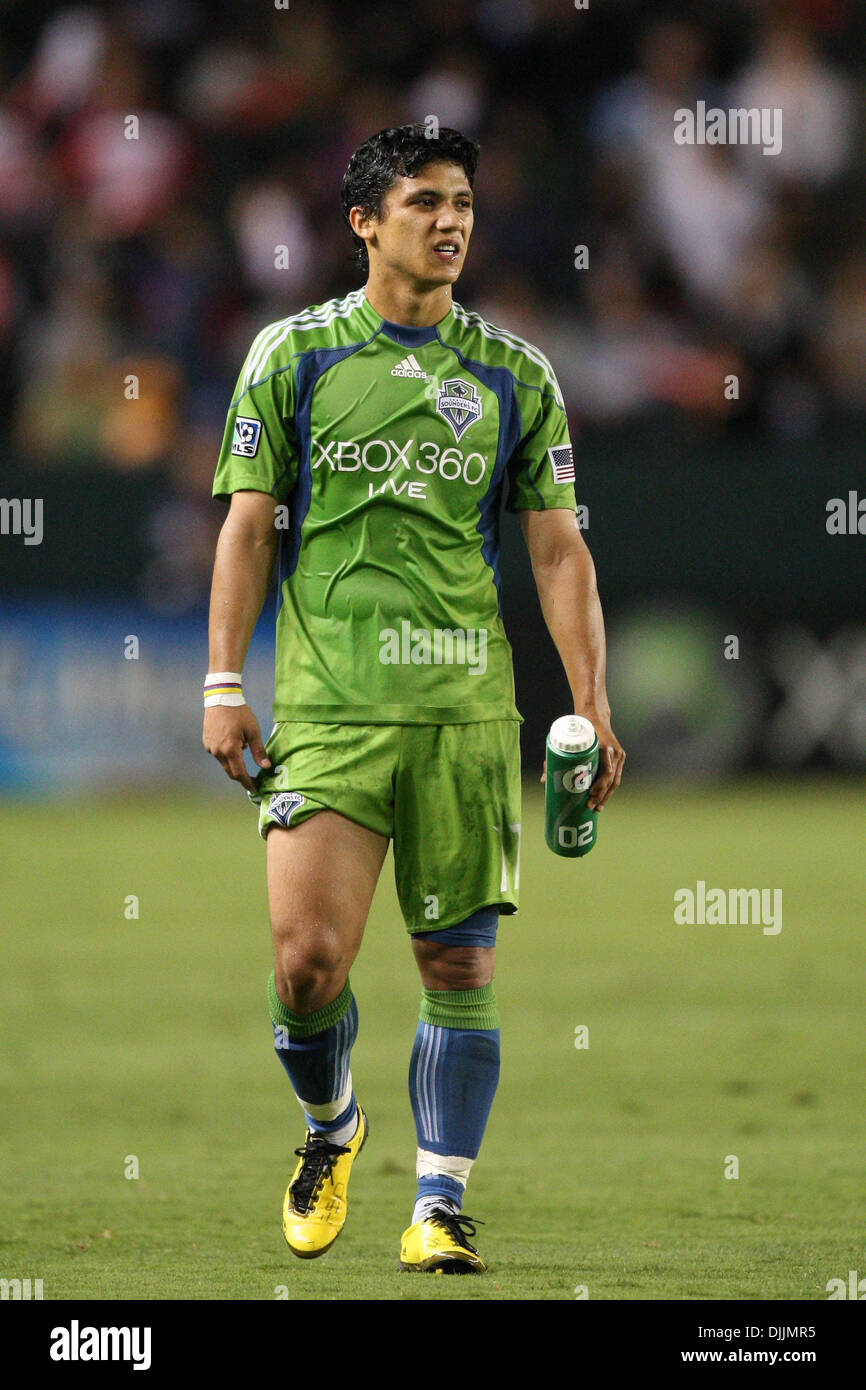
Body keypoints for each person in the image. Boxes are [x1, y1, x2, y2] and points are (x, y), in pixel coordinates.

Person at [203, 124, 624, 1275]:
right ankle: (332, 1124)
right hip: (332, 708)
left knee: (458, 969)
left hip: (463, 715)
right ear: (362, 223)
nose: (450, 222)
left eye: (464, 205)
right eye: (424, 202)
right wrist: (224, 681)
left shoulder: (514, 374)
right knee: (305, 968)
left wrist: (587, 702)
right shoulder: (290, 357)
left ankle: (437, 1206)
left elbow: (556, 554)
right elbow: (246, 526)